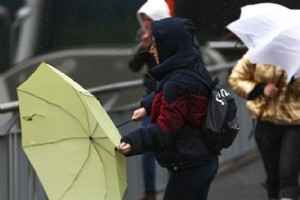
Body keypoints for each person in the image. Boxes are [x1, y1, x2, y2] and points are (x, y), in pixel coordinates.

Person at [118, 17, 219, 200]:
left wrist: (132, 141)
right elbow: (170, 93)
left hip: (190, 166)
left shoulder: (178, 82)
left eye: (156, 45)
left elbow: (165, 131)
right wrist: (146, 107)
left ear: (169, 46)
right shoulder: (191, 66)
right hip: (204, 158)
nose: (152, 50)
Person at [228, 53, 300, 200]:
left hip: (295, 124)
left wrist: (295, 80)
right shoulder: (257, 54)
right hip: (265, 122)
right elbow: (236, 79)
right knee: (272, 176)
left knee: (288, 173)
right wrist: (261, 89)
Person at [128, 1, 171, 199]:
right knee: (147, 145)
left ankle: (175, 186)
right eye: (143, 18)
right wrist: (143, 48)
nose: (145, 23)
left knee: (172, 143)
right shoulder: (142, 36)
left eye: (149, 19)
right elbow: (134, 65)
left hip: (170, 95)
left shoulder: (173, 35)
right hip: (151, 98)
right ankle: (149, 191)